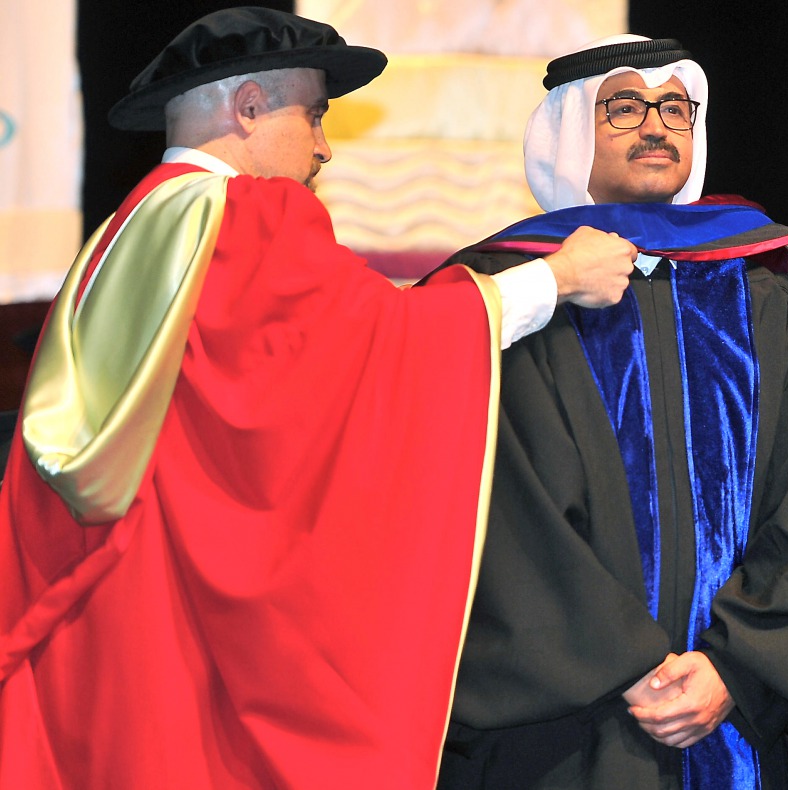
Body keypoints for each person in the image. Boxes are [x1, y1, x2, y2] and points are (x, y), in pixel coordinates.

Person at [0, 7, 637, 789]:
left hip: (94, 624)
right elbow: (377, 346)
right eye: (314, 115)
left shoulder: (124, 229)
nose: (325, 149)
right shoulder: (246, 216)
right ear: (249, 108)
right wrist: (556, 279)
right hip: (173, 632)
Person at [436, 35, 788, 789]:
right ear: (571, 130)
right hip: (563, 727)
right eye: (625, 108)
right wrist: (625, 663)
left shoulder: (766, 294)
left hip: (734, 709)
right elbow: (501, 517)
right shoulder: (510, 298)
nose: (657, 126)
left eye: (675, 108)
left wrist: (736, 664)